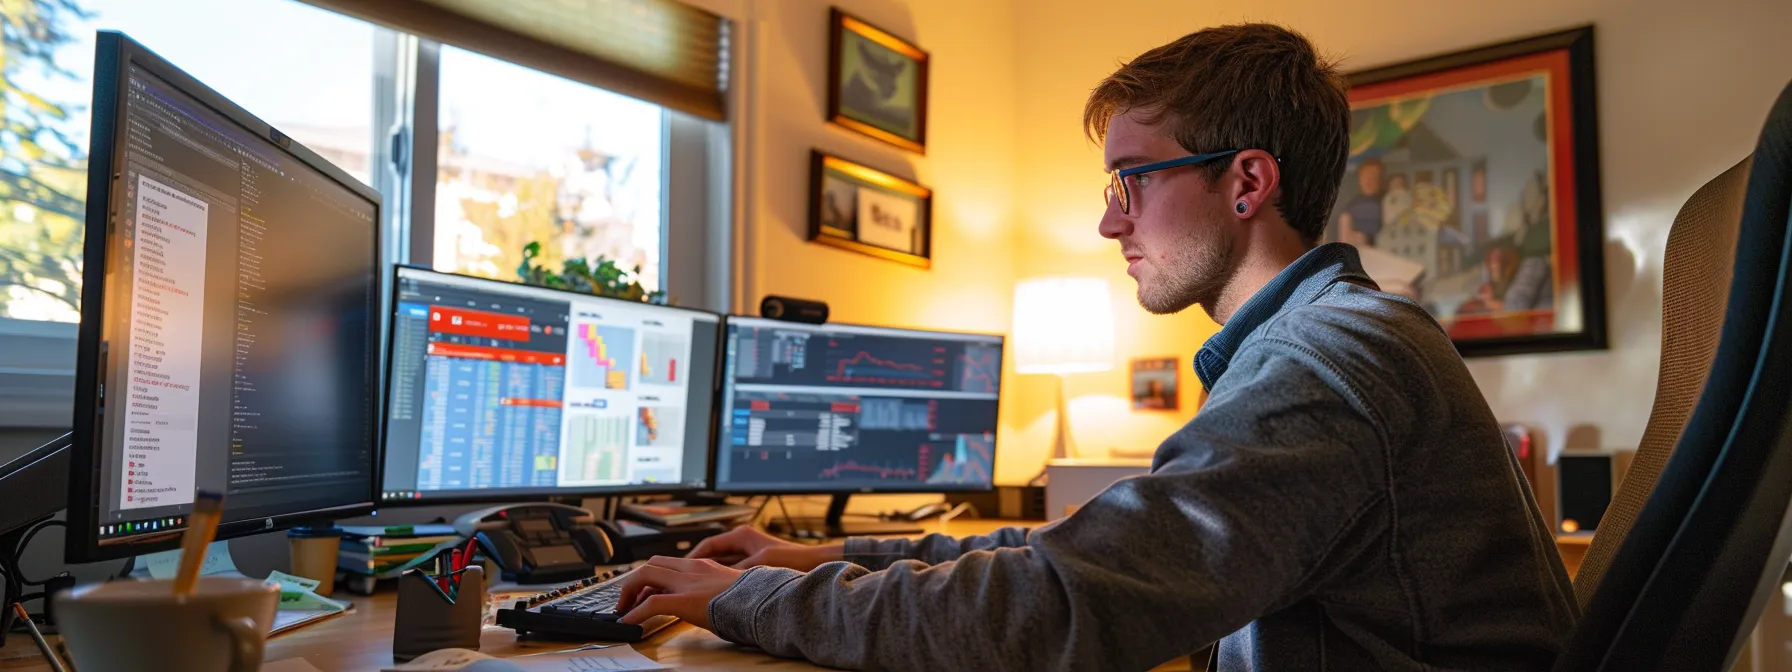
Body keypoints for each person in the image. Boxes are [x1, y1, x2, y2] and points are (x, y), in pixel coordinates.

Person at [614, 23, 1577, 671]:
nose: (1109, 222)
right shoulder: (1326, 339)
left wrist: (742, 602)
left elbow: (1060, 602)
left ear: (1247, 182)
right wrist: (816, 556)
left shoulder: (1326, 363)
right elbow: (1095, 548)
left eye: (1132, 180)